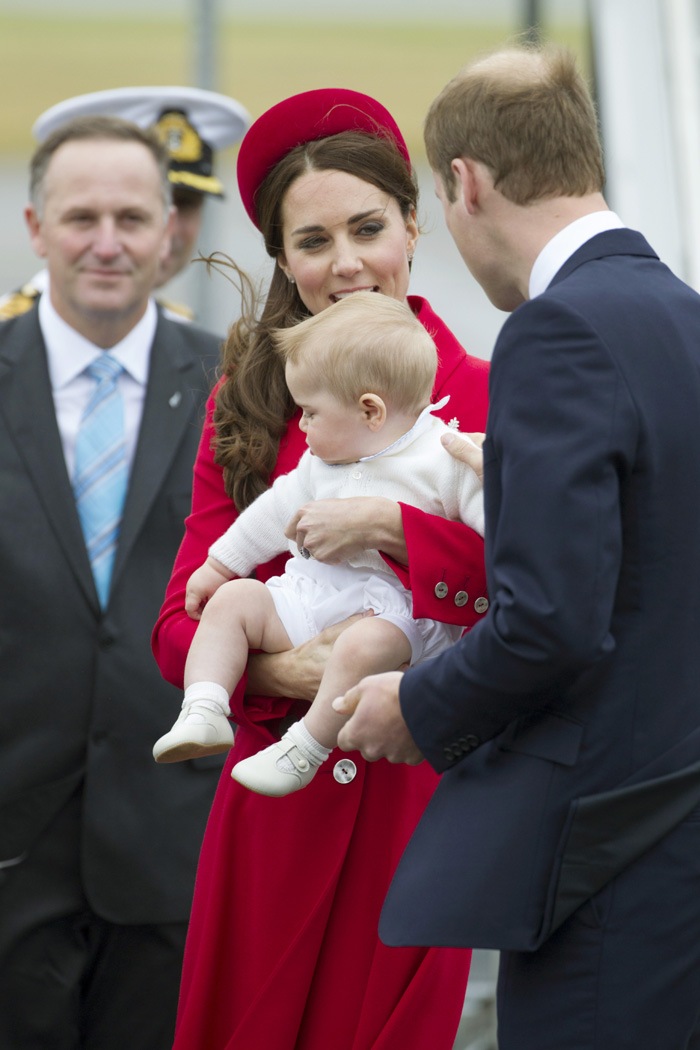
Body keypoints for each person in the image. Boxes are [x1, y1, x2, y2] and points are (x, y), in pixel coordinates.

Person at [334, 44, 700, 1050]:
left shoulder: (559, 331)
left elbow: (551, 620)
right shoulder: (682, 317)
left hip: (606, 859)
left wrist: (415, 705)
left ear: (465, 183)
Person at [152, 87, 490, 1049]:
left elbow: (535, 597)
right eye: (311, 242)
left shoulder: (489, 399)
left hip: (417, 809)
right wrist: (298, 671)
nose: (346, 266)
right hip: (271, 810)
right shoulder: (262, 400)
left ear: (415, 226)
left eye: (368, 228)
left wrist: (393, 527)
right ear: (284, 261)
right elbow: (178, 624)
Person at [0, 115, 223, 1050]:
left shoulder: (236, 385)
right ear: (35, 225)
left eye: (132, 217)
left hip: (173, 841)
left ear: (170, 231)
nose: (106, 242)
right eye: (80, 215)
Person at [152, 291, 484, 798]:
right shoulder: (322, 462)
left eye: (310, 412)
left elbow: (502, 543)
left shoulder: (446, 458)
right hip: (313, 595)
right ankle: (204, 708)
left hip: (394, 613)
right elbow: (271, 512)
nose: (301, 424)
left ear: (369, 410)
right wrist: (221, 565)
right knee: (236, 601)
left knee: (361, 646)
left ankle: (304, 748)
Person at [0, 85, 250, 322]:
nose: (166, 229)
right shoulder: (10, 332)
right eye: (84, 217)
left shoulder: (190, 341)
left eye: (184, 204)